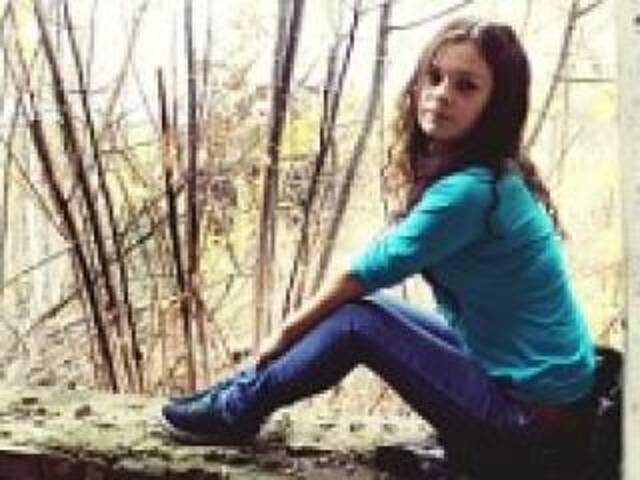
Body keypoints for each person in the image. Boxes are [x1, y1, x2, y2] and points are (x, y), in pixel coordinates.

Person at [160, 17, 596, 477]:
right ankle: (239, 393)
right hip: (539, 400)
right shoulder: (493, 174)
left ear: (496, 105)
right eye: (434, 77)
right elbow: (369, 270)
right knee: (366, 310)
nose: (441, 94)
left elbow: (360, 273)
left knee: (357, 323)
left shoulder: (471, 192)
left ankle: (236, 409)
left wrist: (281, 336)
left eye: (466, 86)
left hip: (530, 428)